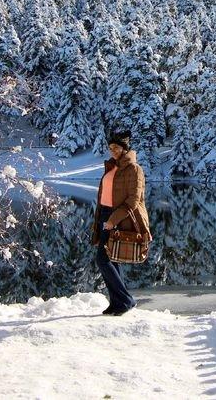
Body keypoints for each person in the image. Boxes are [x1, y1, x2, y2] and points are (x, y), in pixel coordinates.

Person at [91, 131, 147, 316]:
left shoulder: (134, 169)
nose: (112, 151)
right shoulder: (112, 167)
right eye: (110, 148)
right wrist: (101, 217)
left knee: (103, 259)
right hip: (105, 214)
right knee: (112, 260)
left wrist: (113, 219)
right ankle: (117, 303)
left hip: (120, 217)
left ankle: (126, 300)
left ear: (124, 148)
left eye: (116, 147)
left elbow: (133, 200)